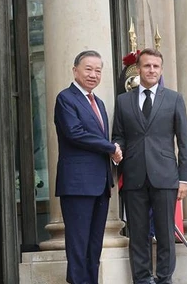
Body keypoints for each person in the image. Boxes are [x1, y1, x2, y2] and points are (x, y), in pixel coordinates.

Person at [112, 48, 187, 284]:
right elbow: (119, 135)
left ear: (161, 69)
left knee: (166, 233)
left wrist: (185, 179)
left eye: (156, 66)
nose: (151, 70)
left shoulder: (174, 99)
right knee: (138, 233)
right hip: (134, 176)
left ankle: (165, 278)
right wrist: (116, 149)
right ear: (139, 69)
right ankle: (142, 278)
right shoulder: (123, 101)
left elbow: (184, 141)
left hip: (166, 176)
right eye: (147, 66)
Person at [54, 50, 122, 284]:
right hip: (77, 184)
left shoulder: (99, 103)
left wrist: (112, 153)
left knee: (94, 246)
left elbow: (98, 139)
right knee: (78, 244)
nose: (93, 74)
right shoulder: (66, 98)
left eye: (98, 70)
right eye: (88, 69)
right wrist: (110, 147)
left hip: (101, 184)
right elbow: (75, 133)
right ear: (75, 71)